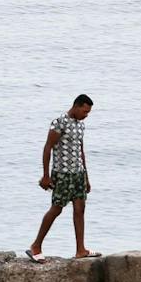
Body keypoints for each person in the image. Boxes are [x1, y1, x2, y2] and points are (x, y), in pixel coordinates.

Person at [27, 94, 98, 261]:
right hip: (63, 173)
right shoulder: (59, 122)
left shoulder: (81, 125)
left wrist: (86, 177)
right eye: (85, 111)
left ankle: (81, 250)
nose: (86, 115)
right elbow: (48, 147)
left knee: (80, 209)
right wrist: (45, 175)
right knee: (57, 208)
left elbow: (81, 151)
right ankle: (36, 246)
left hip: (78, 174)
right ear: (77, 106)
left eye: (88, 113)